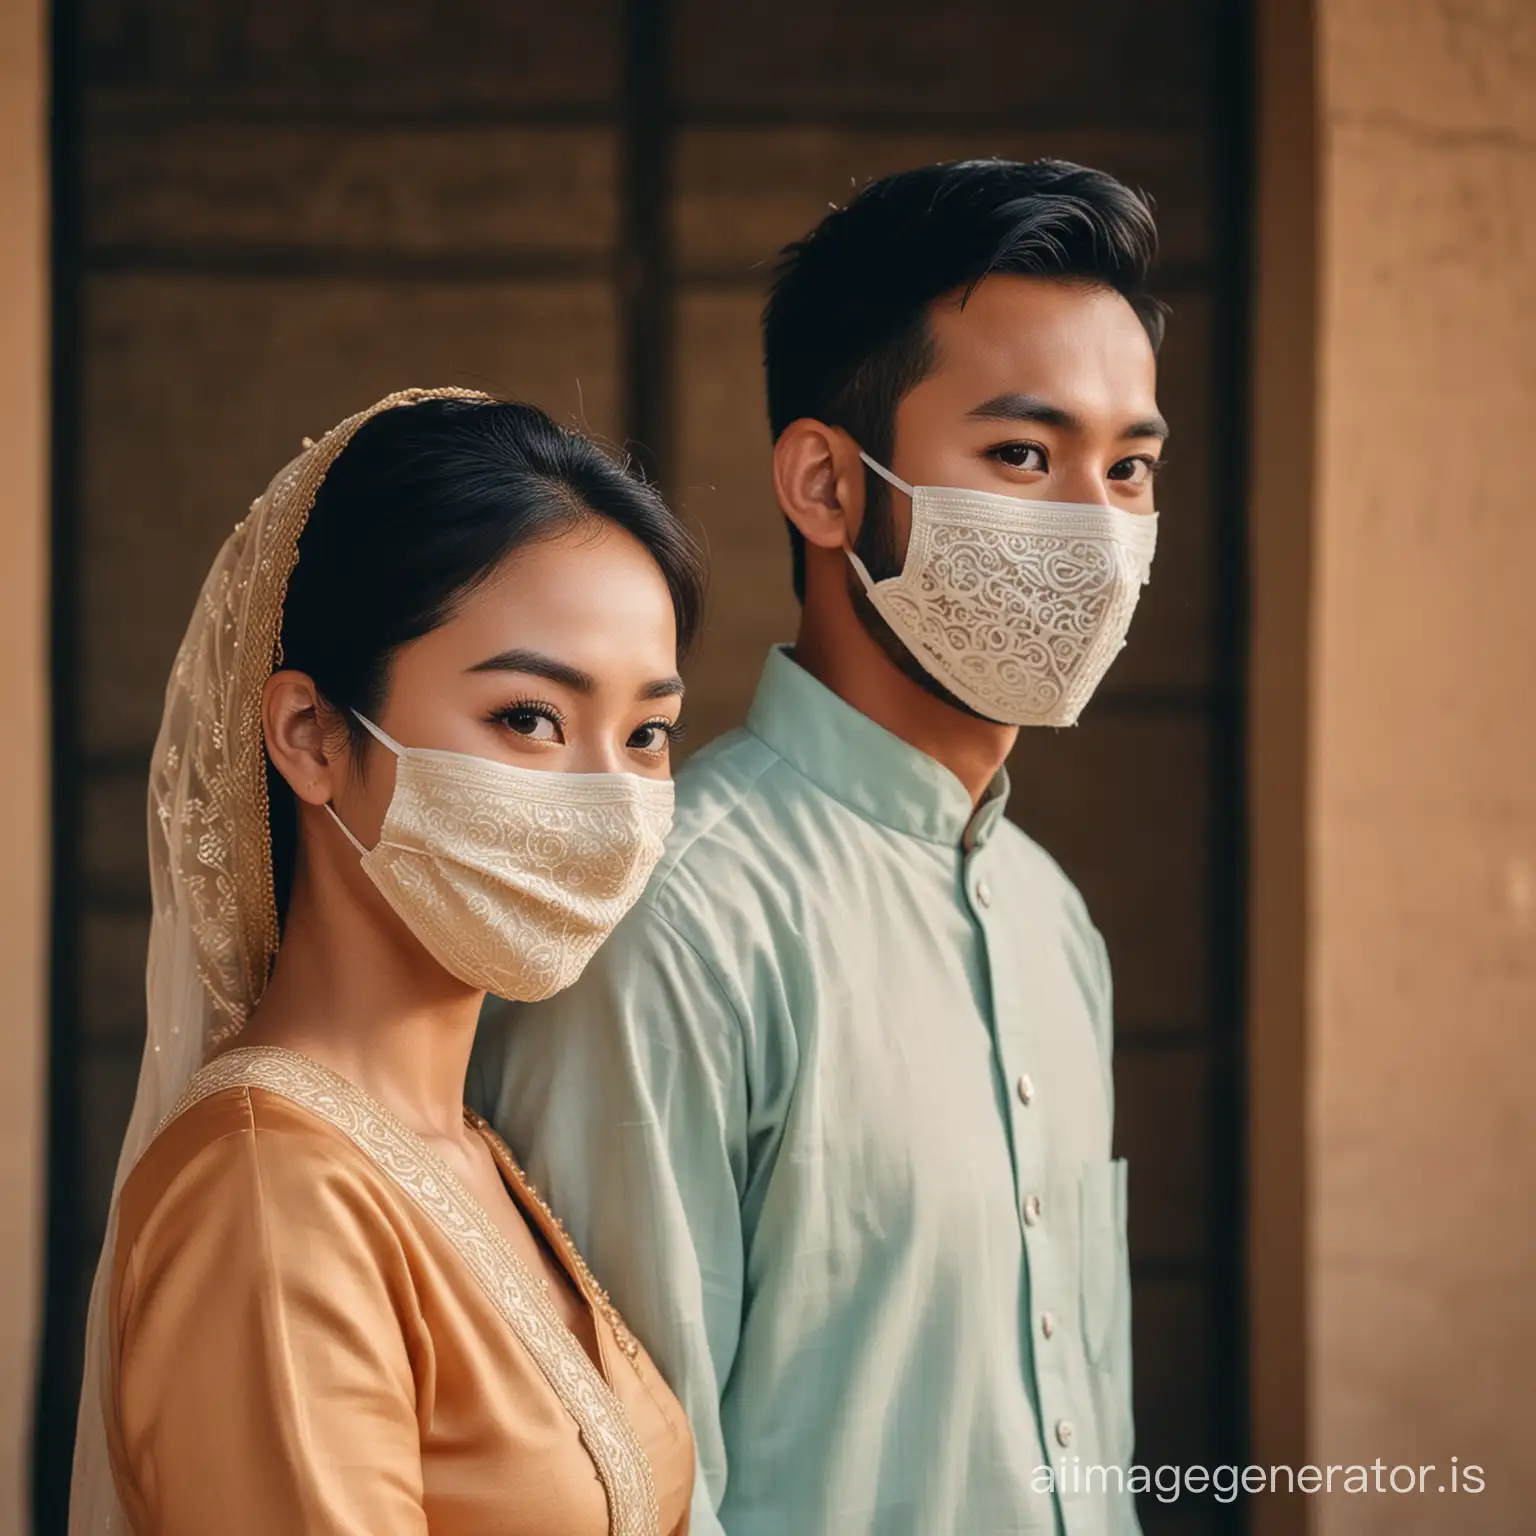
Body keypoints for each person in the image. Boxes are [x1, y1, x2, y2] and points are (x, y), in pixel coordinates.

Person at [474, 159, 1167, 1535]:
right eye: (1024, 456)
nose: (1096, 529)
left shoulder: (1052, 920)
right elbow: (625, 1495)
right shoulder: (671, 921)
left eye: (1132, 467)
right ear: (827, 483)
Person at [70, 389, 707, 1536]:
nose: (611, 803)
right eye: (528, 718)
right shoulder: (270, 1194)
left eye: (647, 734)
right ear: (313, 736)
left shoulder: (460, 1150)